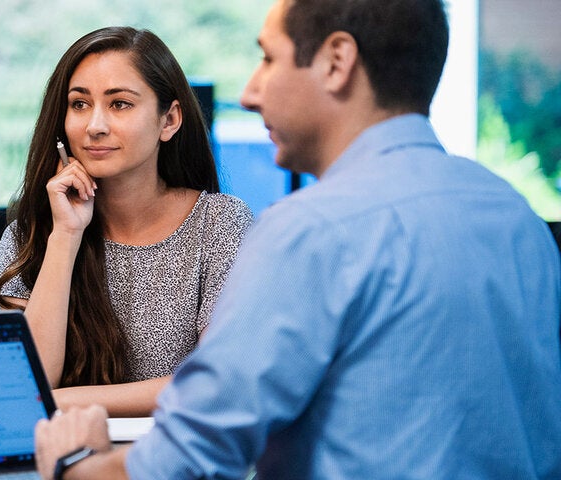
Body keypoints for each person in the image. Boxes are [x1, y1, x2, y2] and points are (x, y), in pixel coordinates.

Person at [33, 0, 561, 478]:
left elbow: (188, 456)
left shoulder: (310, 232)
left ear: (336, 62)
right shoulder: (515, 217)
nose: (250, 93)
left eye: (269, 59)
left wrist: (76, 463)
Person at [0, 26, 252, 417]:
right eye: (79, 104)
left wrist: (64, 401)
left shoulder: (220, 223)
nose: (95, 125)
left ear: (169, 120)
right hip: (66, 452)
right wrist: (66, 234)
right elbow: (28, 383)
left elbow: (218, 382)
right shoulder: (29, 235)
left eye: (120, 104)